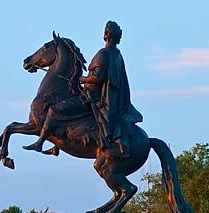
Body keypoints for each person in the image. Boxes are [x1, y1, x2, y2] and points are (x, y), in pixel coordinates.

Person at [23, 21, 141, 157]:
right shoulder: (117, 55)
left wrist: (82, 79)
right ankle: (57, 145)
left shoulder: (103, 54)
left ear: (106, 35)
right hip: (100, 96)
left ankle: (40, 143)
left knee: (55, 109)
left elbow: (98, 77)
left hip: (90, 97)